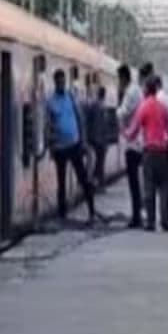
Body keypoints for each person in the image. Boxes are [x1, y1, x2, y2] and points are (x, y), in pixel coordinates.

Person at [125, 76, 168, 232]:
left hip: (149, 152)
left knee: (149, 187)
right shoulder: (163, 108)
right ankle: (165, 220)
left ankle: (151, 222)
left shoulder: (143, 107)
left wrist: (124, 132)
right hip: (163, 152)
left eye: (144, 88)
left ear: (147, 90)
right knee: (164, 187)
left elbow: (133, 132)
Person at [45, 69, 95, 224]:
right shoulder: (50, 101)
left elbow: (80, 118)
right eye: (59, 82)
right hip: (59, 148)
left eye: (63, 81)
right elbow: (48, 125)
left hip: (74, 145)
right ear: (55, 82)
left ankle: (92, 211)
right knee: (61, 182)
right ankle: (62, 214)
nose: (61, 84)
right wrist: (50, 144)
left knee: (83, 178)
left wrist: (83, 140)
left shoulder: (71, 98)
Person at [116, 65, 145, 228]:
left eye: (119, 79)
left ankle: (136, 217)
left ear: (123, 78)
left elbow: (123, 112)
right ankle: (138, 214)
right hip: (139, 141)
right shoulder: (138, 90)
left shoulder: (131, 92)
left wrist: (118, 110)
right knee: (137, 182)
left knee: (134, 183)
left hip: (133, 143)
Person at [85, 85, 109, 185]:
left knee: (98, 160)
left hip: (95, 137)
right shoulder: (102, 106)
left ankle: (96, 180)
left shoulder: (94, 105)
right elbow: (104, 125)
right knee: (100, 160)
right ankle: (97, 180)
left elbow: (89, 121)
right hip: (100, 138)